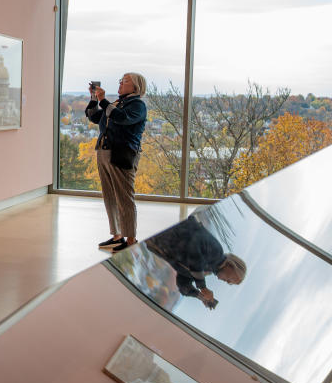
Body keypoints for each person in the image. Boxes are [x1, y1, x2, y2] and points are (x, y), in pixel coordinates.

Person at [86, 72, 148, 253]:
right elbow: (94, 117)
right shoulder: (116, 103)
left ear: (136, 87)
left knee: (124, 198)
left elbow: (121, 118)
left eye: (125, 81)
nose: (120, 83)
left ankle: (130, 239)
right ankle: (117, 236)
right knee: (110, 196)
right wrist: (93, 98)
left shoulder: (137, 105)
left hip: (122, 153)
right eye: (120, 80)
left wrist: (103, 100)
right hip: (104, 151)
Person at [145, 215, 247, 310]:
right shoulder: (216, 251)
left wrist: (200, 296)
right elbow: (194, 252)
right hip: (163, 221)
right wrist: (203, 287)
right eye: (231, 279)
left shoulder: (205, 270)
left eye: (230, 283)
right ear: (232, 266)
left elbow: (182, 285)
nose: (228, 282)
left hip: (152, 236)